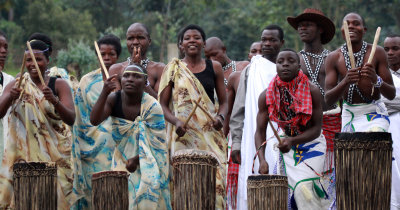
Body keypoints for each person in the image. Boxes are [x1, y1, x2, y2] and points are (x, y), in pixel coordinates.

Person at [159, 24, 227, 209]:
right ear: (181, 45)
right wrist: (176, 121)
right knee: (185, 186)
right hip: (183, 135)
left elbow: (224, 102)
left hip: (210, 135)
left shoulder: (215, 67)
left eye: (196, 37)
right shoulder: (172, 69)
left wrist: (220, 118)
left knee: (216, 183)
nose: (192, 41)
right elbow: (163, 105)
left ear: (204, 43)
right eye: (187, 38)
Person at [0, 39, 75, 209]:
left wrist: (55, 101)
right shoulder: (17, 84)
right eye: (28, 60)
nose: (32, 64)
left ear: (47, 60)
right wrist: (9, 97)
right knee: (26, 201)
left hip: (55, 157)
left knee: (53, 202)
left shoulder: (59, 85)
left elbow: (71, 118)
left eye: (38, 59)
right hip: (24, 158)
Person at [90, 64, 171, 209]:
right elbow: (94, 120)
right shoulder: (113, 99)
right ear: (120, 80)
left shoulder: (153, 106)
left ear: (145, 81)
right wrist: (104, 92)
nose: (130, 79)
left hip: (149, 163)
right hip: (122, 161)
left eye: (136, 76)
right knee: (121, 202)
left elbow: (159, 146)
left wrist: (137, 159)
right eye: (126, 76)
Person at [255, 49, 327, 209]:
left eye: (290, 61)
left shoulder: (312, 90)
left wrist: (292, 141)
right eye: (280, 61)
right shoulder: (266, 95)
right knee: (290, 193)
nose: (285, 64)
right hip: (287, 147)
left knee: (305, 189)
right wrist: (262, 160)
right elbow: (259, 131)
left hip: (312, 145)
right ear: (276, 66)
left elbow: (316, 129)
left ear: (299, 65)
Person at [229, 24, 284, 210]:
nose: (267, 44)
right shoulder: (251, 70)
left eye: (272, 40)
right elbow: (239, 110)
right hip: (254, 138)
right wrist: (236, 143)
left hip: (285, 139)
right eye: (264, 40)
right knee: (255, 188)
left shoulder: (288, 67)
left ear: (281, 43)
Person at [287, 8, 339, 187]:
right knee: (307, 182)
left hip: (334, 122)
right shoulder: (293, 61)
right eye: (300, 26)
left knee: (333, 179)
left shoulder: (334, 58)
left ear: (321, 29)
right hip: (305, 127)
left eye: (307, 25)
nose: (302, 29)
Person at [70, 34, 122, 209]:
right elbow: (80, 117)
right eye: (103, 54)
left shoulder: (127, 79)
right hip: (93, 150)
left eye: (111, 54)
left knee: (119, 194)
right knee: (96, 196)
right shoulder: (87, 81)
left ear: (118, 56)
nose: (106, 58)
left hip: (121, 148)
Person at [325, 12, 395, 132]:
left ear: (364, 30)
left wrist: (376, 80)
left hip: (374, 111)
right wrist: (345, 81)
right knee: (351, 148)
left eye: (356, 24)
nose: (351, 26)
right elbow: (328, 100)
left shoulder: (377, 52)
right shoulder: (333, 57)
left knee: (375, 134)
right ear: (342, 30)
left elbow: (391, 94)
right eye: (347, 24)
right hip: (349, 113)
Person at [204, 36, 249, 209]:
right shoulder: (206, 71)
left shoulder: (243, 67)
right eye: (207, 56)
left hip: (239, 130)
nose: (211, 60)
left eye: (214, 55)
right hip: (215, 130)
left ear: (224, 50)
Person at [109, 23, 164, 98]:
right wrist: (133, 68)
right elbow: (115, 102)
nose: (135, 42)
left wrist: (140, 73)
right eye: (130, 38)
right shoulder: (115, 69)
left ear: (149, 41)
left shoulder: (159, 69)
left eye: (140, 38)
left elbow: (160, 104)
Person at [383, 34, 400, 210]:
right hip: (387, 129)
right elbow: (375, 102)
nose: (390, 53)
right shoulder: (379, 74)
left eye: (395, 48)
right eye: (386, 49)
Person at [0, 31, 14, 167]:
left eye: (5, 47)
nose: (3, 51)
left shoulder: (10, 80)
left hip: (6, 153)